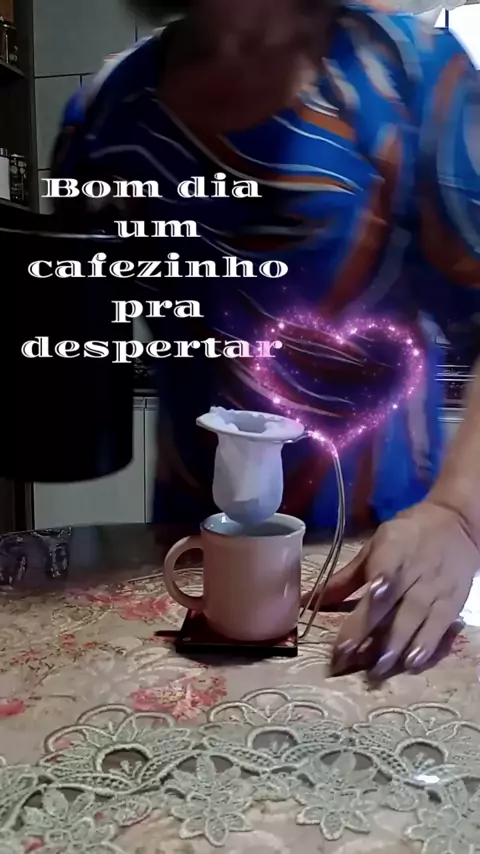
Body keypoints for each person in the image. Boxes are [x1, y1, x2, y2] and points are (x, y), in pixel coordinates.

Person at [50, 0, 480, 677]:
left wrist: (458, 514)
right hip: (187, 566)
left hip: (376, 571)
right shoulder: (106, 111)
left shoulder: (410, 72)